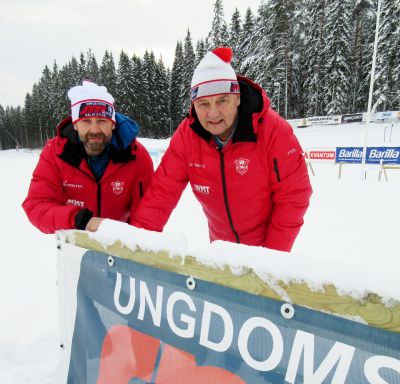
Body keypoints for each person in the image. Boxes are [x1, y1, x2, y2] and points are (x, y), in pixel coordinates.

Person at [132, 48, 312, 252]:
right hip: (221, 251)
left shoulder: (272, 130)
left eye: (222, 101)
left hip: (266, 249)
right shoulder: (187, 136)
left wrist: (269, 258)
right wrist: (137, 247)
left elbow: (293, 196)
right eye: (203, 104)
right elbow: (162, 192)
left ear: (237, 98)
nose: (213, 113)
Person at [22, 81, 154, 233]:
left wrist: (131, 244)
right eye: (86, 121)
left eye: (102, 121)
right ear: (75, 124)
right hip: (76, 244)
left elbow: (147, 213)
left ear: (112, 123)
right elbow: (37, 206)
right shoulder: (56, 153)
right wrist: (78, 219)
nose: (94, 129)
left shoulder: (136, 155)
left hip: (121, 245)